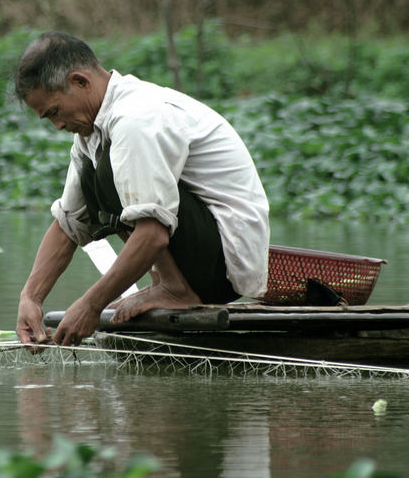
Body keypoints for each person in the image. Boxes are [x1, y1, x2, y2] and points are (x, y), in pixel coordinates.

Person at [14, 32, 270, 347]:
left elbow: (154, 233)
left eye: (54, 112)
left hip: (226, 263)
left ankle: (175, 288)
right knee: (94, 176)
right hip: (201, 254)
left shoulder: (137, 118)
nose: (57, 126)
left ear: (80, 82)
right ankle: (165, 283)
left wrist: (91, 305)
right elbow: (69, 223)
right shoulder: (93, 132)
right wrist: (31, 298)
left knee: (108, 175)